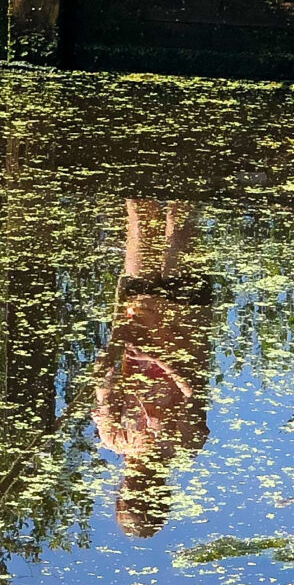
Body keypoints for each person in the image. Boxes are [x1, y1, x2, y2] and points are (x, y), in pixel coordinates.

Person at [92, 202, 217, 537]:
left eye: (129, 499)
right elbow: (194, 390)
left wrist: (116, 346)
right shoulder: (186, 444)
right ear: (161, 498)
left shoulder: (113, 437)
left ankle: (137, 159)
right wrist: (161, 360)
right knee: (181, 224)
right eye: (142, 501)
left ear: (121, 496)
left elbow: (103, 379)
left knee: (138, 222)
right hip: (185, 323)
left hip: (138, 317)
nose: (135, 491)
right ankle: (191, 159)